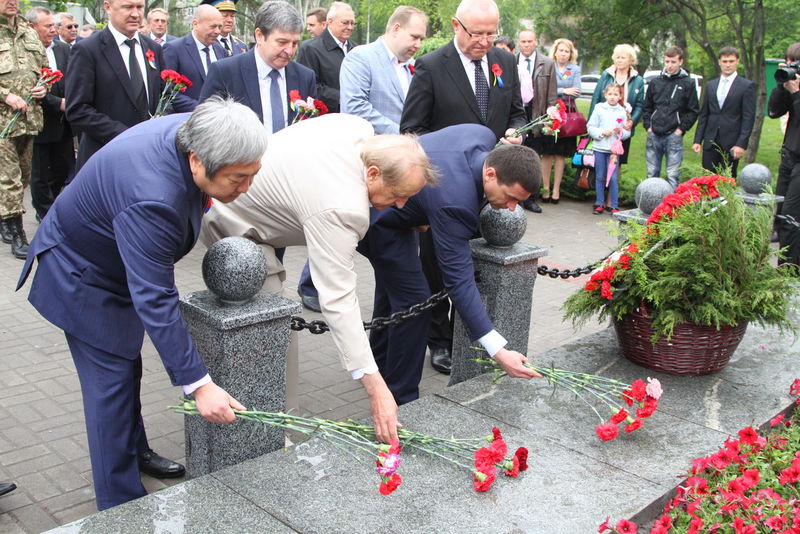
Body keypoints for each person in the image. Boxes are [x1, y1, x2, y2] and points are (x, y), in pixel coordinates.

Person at [17, 98, 263, 511]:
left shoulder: (206, 127)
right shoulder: (153, 198)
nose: (246, 188)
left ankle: (136, 452)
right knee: (110, 387)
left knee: (127, 366)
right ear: (198, 161)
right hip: (83, 276)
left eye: (252, 175)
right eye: (238, 178)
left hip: (114, 257)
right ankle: (121, 507)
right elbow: (155, 296)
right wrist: (199, 386)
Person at [201, 113, 436, 442]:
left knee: (278, 325)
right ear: (372, 172)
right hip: (233, 219)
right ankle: (269, 431)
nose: (401, 205)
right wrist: (377, 390)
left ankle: (277, 417)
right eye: (398, 194)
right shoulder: (343, 206)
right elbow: (338, 299)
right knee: (274, 328)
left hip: (263, 206)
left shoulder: (357, 129)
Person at [360, 126, 542, 403]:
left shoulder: (481, 135)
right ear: (490, 174)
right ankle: (400, 398)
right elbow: (459, 281)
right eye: (511, 197)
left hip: (401, 217)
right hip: (380, 221)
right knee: (414, 303)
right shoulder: (455, 203)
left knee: (394, 293)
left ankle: (381, 366)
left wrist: (420, 208)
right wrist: (498, 350)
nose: (512, 207)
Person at [399, 0, 526, 375]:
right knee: (439, 266)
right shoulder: (433, 66)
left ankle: (466, 334)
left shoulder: (505, 62)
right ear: (457, 26)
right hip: (442, 190)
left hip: (492, 189)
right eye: (477, 33)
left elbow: (517, 111)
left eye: (492, 33)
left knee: (472, 269)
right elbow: (413, 132)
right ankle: (438, 340)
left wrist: (514, 134)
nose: (485, 42)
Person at [65, 0, 165, 171]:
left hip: (149, 155)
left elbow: (163, 96)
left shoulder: (153, 48)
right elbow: (77, 109)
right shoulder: (88, 50)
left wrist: (162, 120)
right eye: (127, 7)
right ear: (108, 7)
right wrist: (126, 135)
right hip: (105, 157)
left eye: (139, 7)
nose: (135, 14)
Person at [200, 1, 316, 130]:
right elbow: (205, 127)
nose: (289, 51)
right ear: (259, 36)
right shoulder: (225, 73)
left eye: (294, 44)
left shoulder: (305, 76)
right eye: (282, 42)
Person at [0, 0, 46, 260]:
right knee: (10, 179)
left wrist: (44, 86)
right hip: (2, 122)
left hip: (28, 120)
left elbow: (45, 71)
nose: (11, 2)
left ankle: (6, 217)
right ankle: (18, 234)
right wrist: (5, 95)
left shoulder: (29, 33)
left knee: (24, 175)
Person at [339, 5, 427, 134]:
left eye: (421, 39)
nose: (418, 45)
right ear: (396, 29)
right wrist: (403, 135)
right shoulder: (361, 57)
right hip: (371, 149)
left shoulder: (414, 65)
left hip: (409, 149)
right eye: (414, 37)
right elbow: (355, 108)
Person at [26, 6, 74, 222]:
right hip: (39, 121)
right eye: (47, 26)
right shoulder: (26, 54)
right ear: (32, 27)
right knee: (41, 172)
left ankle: (53, 204)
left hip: (64, 121)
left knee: (63, 167)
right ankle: (45, 213)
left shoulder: (64, 50)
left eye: (54, 25)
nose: (53, 30)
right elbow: (31, 87)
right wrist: (57, 102)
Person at [692, 46, 755, 178]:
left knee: (727, 180)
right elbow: (704, 114)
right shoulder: (711, 85)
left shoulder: (746, 86)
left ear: (737, 62)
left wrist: (741, 144)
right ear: (719, 62)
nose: (728, 65)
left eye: (731, 61)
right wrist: (698, 140)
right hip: (711, 139)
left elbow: (748, 118)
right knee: (707, 179)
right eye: (725, 61)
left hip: (731, 141)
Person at [642, 46, 699, 189]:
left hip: (673, 135)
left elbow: (693, 110)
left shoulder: (688, 83)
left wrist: (680, 130)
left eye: (673, 62)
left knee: (672, 175)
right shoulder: (656, 82)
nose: (669, 65)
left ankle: (670, 208)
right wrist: (648, 126)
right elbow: (647, 107)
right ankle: (650, 205)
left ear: (681, 62)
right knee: (651, 173)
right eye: (667, 61)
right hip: (654, 133)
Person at [516, 28, 557, 213]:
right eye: (523, 41)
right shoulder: (511, 61)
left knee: (534, 159)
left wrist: (549, 120)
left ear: (536, 42)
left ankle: (531, 198)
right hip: (517, 115)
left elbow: (551, 95)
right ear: (518, 42)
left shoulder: (547, 64)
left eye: (529, 41)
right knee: (515, 157)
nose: (526, 45)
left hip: (537, 116)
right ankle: (514, 197)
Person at [589, 43, 645, 169]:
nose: (619, 60)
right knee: (601, 158)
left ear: (631, 60)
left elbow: (640, 105)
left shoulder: (638, 80)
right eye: (617, 57)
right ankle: (600, 186)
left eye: (623, 58)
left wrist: (632, 121)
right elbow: (596, 98)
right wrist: (591, 123)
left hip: (622, 125)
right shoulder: (606, 75)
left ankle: (613, 184)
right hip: (603, 124)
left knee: (618, 159)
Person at [539, 38, 580, 204]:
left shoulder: (574, 69)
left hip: (568, 115)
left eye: (567, 51)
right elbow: (546, 88)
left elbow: (577, 91)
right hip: (550, 113)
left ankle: (556, 190)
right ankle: (545, 188)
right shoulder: (549, 65)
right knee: (547, 153)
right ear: (555, 51)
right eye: (561, 50)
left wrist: (559, 91)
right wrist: (564, 90)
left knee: (561, 154)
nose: (563, 54)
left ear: (571, 54)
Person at [769, 42, 800, 266]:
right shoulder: (791, 85)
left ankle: (790, 272)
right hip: (789, 155)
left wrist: (797, 94)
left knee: (791, 216)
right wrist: (782, 85)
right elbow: (774, 111)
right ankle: (784, 267)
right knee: (780, 216)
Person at [162, 5, 225, 112]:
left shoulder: (220, 50)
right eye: (213, 26)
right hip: (186, 119)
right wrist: (201, 109)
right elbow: (168, 91)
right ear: (195, 24)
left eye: (220, 27)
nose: (217, 31)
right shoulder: (174, 49)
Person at [296, 1, 355, 113]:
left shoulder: (356, 49)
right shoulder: (310, 49)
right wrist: (340, 97)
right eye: (345, 23)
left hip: (354, 115)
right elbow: (308, 86)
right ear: (330, 22)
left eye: (353, 23)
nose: (350, 27)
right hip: (325, 118)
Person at [587, 83, 630, 215]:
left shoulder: (622, 112)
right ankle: (599, 203)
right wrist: (601, 132)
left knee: (612, 178)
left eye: (615, 94)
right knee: (600, 176)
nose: (612, 97)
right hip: (600, 148)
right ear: (605, 95)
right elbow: (590, 127)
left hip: (613, 152)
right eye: (610, 94)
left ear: (620, 96)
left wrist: (620, 132)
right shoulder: (599, 108)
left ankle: (614, 205)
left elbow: (627, 132)